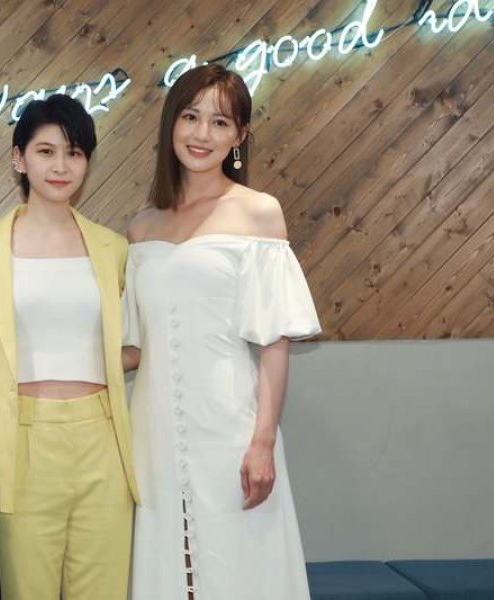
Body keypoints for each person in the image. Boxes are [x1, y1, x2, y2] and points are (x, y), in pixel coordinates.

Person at [123, 64, 321, 599]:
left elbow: (274, 343)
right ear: (171, 123)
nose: (201, 134)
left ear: (239, 136)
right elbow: (133, 347)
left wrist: (263, 441)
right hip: (154, 432)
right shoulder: (142, 226)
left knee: (241, 571)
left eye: (219, 122)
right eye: (190, 117)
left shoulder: (258, 214)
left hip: (232, 429)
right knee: (171, 570)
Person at [0, 94, 139, 600]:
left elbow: (134, 344)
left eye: (74, 153)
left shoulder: (114, 248)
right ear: (19, 159)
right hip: (18, 441)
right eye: (46, 151)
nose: (61, 166)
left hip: (102, 438)